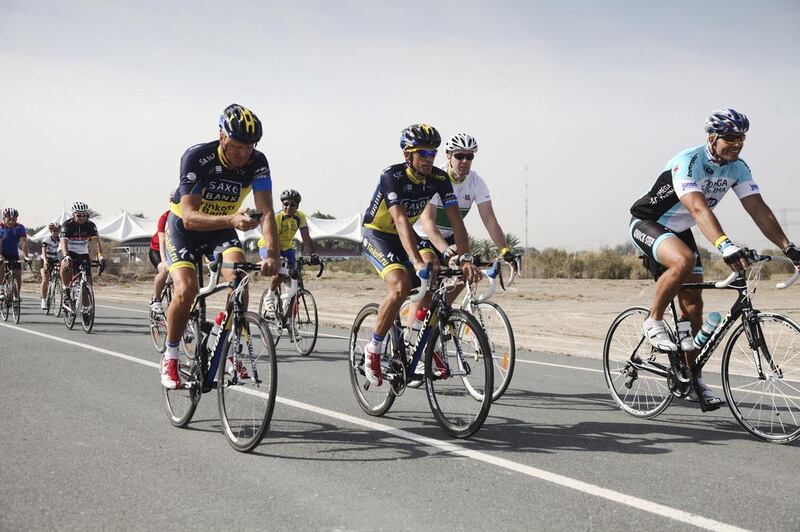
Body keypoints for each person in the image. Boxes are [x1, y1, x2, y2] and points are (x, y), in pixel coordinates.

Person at [629, 108, 800, 410]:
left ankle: (689, 376)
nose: (737, 144)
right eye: (731, 138)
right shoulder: (689, 162)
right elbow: (697, 209)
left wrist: (789, 247)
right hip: (649, 222)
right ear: (712, 137)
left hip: (680, 230)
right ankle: (653, 320)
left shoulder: (738, 168)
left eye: (742, 139)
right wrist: (724, 245)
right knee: (681, 262)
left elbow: (758, 209)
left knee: (694, 307)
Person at [161, 103, 280, 389]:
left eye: (249, 147)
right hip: (184, 228)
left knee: (240, 279)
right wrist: (232, 218)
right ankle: (171, 354)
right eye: (238, 146)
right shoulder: (197, 157)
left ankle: (225, 343)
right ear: (222, 137)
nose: (243, 154)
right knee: (186, 288)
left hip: (222, 228)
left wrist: (272, 254)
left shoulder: (258, 162)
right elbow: (189, 217)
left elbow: (266, 212)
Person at [360, 123, 480, 386]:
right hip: (379, 233)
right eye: (423, 153)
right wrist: (414, 261)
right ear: (408, 155)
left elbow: (456, 220)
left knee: (435, 268)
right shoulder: (391, 176)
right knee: (401, 284)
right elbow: (401, 220)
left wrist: (466, 257)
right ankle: (374, 348)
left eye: (433, 153)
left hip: (407, 236)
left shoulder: (438, 178)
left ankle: (416, 338)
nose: (429, 159)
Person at [416, 132, 517, 304]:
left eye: (469, 156)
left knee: (468, 271)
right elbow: (428, 222)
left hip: (451, 236)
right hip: (424, 236)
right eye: (459, 156)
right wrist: (446, 251)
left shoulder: (476, 182)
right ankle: (415, 324)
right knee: (431, 270)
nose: (464, 161)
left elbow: (489, 218)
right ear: (448, 156)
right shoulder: (435, 178)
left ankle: (442, 311)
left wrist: (505, 250)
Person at [257, 189, 317, 313]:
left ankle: (288, 310)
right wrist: (277, 258)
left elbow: (306, 237)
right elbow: (273, 239)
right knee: (281, 272)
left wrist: (313, 255)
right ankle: (270, 295)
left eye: (292, 205)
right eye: (286, 204)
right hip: (268, 246)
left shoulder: (300, 217)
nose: (288, 207)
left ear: (297, 207)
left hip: (287, 248)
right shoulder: (277, 217)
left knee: (294, 277)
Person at [60, 202, 105, 311]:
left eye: (84, 215)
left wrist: (100, 256)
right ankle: (66, 289)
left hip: (82, 251)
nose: (82, 218)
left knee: (87, 281)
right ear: (73, 214)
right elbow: (63, 243)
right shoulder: (67, 225)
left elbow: (96, 242)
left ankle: (86, 308)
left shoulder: (90, 225)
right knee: (66, 264)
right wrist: (66, 256)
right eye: (79, 215)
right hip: (68, 249)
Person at [0, 207, 31, 299]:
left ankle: (17, 294)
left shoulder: (20, 228)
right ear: (4, 218)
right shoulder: (1, 227)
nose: (11, 221)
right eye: (9, 219)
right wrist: (0, 255)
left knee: (17, 273)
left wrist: (26, 256)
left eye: (14, 219)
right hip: (2, 252)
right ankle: (1, 288)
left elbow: (23, 243)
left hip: (13, 253)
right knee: (1, 264)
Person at [148, 209, 170, 313]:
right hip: (157, 250)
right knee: (164, 270)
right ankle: (156, 299)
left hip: (175, 250)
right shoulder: (165, 217)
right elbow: (162, 243)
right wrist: (164, 261)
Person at [39, 222, 61, 309]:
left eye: (58, 231)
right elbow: (43, 251)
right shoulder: (46, 239)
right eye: (54, 231)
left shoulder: (61, 240)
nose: (56, 232)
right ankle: (43, 300)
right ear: (51, 231)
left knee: (62, 276)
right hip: (46, 259)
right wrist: (45, 261)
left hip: (56, 259)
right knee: (45, 278)